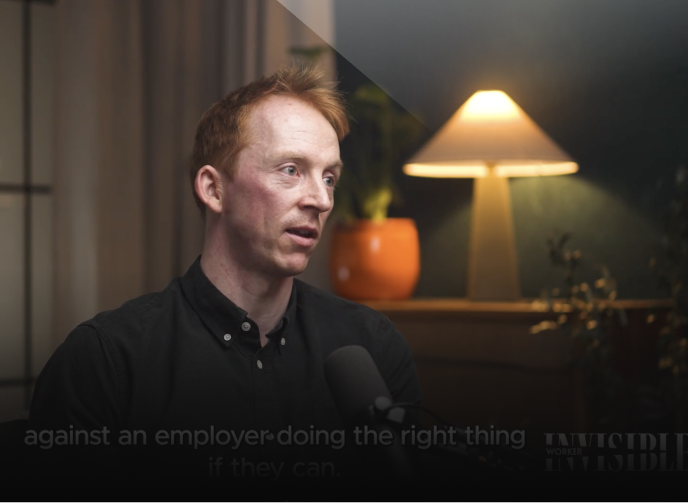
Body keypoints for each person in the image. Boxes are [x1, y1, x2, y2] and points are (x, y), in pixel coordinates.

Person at [26, 64, 423, 499]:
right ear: (214, 190)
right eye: (291, 170)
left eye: (329, 177)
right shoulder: (105, 360)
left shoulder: (374, 348)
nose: (321, 199)